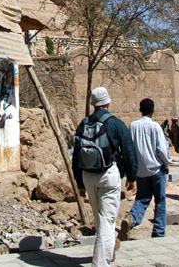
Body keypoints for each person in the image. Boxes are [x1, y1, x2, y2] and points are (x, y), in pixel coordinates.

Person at [72, 86, 137, 267]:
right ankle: (100, 263)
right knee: (107, 220)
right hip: (108, 175)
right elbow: (129, 150)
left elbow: (76, 155)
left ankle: (110, 248)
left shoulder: (83, 124)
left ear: (92, 104)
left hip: (87, 176)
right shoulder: (115, 123)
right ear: (107, 102)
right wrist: (132, 177)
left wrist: (79, 182)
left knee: (100, 217)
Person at [119, 98, 171, 240]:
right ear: (152, 111)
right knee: (160, 200)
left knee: (141, 198)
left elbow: (130, 148)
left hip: (140, 171)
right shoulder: (155, 127)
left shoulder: (133, 126)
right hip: (156, 169)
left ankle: (132, 218)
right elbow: (162, 149)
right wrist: (167, 163)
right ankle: (159, 232)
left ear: (140, 109)